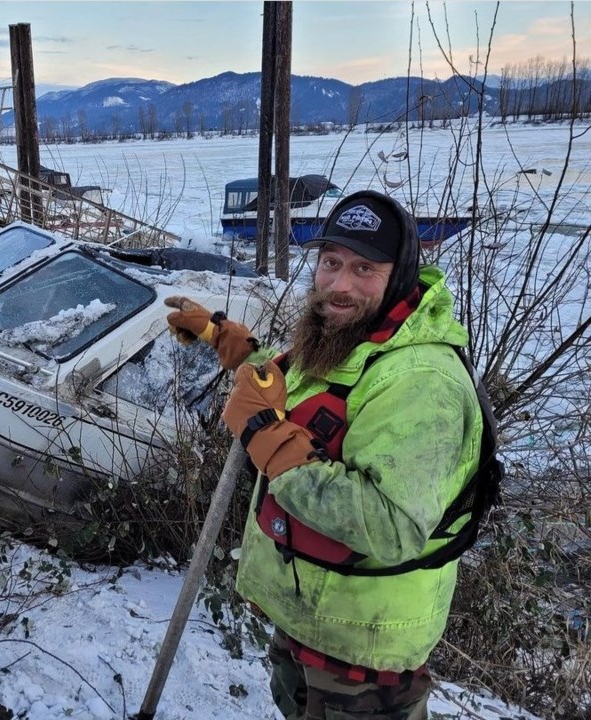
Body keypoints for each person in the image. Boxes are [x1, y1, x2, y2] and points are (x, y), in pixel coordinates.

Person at [165, 190, 483, 720]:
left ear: (398, 276)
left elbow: (390, 527)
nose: (340, 285)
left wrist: (263, 432)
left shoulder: (422, 383)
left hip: (364, 651)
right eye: (331, 263)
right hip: (311, 614)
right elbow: (307, 390)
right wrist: (230, 343)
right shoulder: (356, 335)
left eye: (364, 268)